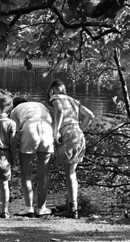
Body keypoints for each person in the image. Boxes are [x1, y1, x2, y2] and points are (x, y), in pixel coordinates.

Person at [47, 79, 94, 219]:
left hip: (67, 133)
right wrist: (80, 129)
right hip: (78, 134)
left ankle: (73, 209)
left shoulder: (55, 97)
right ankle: (70, 204)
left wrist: (56, 132)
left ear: (52, 90)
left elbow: (60, 111)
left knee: (70, 173)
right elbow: (90, 115)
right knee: (71, 171)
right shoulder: (73, 100)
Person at [10, 97, 54, 218]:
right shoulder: (40, 105)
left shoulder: (15, 110)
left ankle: (29, 208)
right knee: (43, 173)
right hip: (46, 129)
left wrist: (13, 154)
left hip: (30, 127)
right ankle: (42, 208)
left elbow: (13, 133)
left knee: (26, 173)